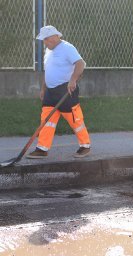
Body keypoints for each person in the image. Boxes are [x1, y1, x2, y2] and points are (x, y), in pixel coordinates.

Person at [27, 25, 91, 159]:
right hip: (50, 92)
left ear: (55, 37)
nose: (45, 42)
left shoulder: (67, 48)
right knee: (47, 120)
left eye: (46, 39)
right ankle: (42, 148)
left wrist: (73, 80)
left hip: (65, 90)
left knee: (75, 119)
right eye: (44, 40)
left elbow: (81, 63)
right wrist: (44, 88)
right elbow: (49, 71)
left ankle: (85, 146)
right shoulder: (48, 51)